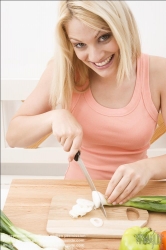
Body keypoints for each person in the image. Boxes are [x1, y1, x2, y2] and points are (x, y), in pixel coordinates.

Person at [6, 1, 166, 205]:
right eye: (80, 44)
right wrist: (55, 116)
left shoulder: (159, 72)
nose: (95, 56)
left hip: (139, 196)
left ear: (122, 28)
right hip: (79, 196)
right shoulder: (63, 70)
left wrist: (148, 168)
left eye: (104, 37)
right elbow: (13, 137)